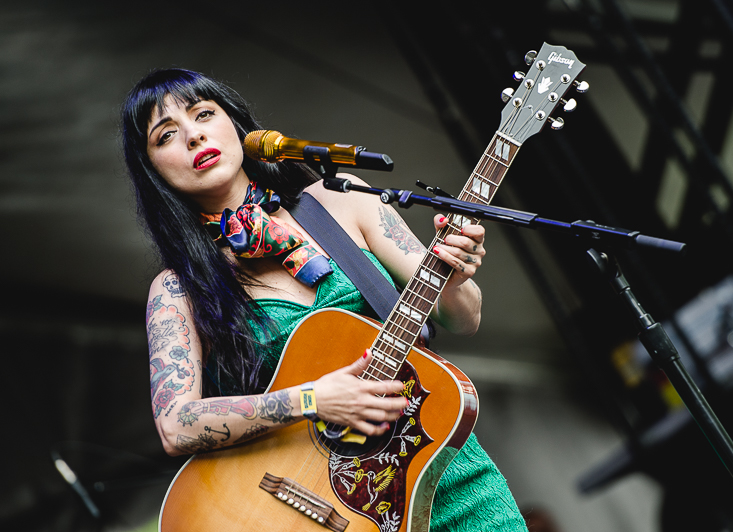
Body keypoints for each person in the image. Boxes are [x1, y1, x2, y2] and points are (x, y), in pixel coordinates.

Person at [123, 68, 525, 531]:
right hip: (312, 507)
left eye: (204, 114)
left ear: (237, 126)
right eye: (166, 135)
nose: (193, 136)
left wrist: (454, 276)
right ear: (152, 168)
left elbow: (463, 319)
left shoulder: (346, 201)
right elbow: (177, 424)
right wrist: (314, 399)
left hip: (448, 475)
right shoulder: (178, 289)